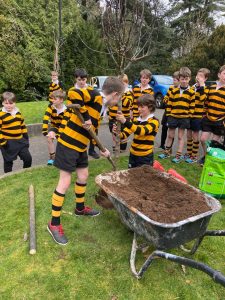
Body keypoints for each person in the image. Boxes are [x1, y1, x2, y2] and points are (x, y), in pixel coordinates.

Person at [47, 76, 124, 245]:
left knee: (83, 175)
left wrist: (102, 149)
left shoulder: (101, 107)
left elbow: (91, 132)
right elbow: (73, 93)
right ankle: (53, 224)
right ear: (115, 94)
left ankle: (80, 208)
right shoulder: (96, 95)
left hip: (81, 146)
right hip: (68, 144)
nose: (118, 102)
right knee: (64, 182)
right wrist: (86, 116)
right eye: (119, 98)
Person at [158, 67, 195, 163]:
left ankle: (178, 155)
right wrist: (170, 114)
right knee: (170, 135)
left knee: (180, 137)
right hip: (173, 117)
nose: (184, 81)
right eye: (182, 79)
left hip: (184, 118)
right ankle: (167, 152)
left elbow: (192, 105)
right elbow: (169, 103)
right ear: (179, 79)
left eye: (186, 79)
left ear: (189, 79)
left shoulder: (191, 92)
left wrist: (189, 115)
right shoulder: (174, 90)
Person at [114, 94, 159, 168]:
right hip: (133, 154)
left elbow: (141, 131)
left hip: (145, 157)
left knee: (143, 178)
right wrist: (117, 132)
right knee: (131, 176)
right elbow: (124, 135)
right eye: (138, 106)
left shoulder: (154, 121)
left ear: (150, 107)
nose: (139, 109)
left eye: (142, 107)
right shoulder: (136, 120)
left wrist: (125, 121)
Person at [199, 65, 225, 165]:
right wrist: (204, 114)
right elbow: (206, 102)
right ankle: (206, 156)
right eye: (224, 74)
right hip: (208, 118)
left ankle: (210, 160)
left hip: (220, 120)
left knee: (214, 144)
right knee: (203, 139)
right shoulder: (212, 87)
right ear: (219, 74)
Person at [0, 92, 32, 173]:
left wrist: (25, 138)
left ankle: (26, 173)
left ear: (15, 103)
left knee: (28, 158)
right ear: (2, 103)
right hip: (7, 142)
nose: (8, 105)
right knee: (8, 162)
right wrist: (3, 142)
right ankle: (8, 178)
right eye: (6, 103)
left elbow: (23, 126)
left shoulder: (18, 113)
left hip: (20, 141)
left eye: (11, 103)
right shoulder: (1, 114)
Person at [73, 68, 100, 159]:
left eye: (83, 80)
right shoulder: (73, 91)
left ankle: (92, 150)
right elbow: (79, 104)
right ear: (76, 79)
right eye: (79, 80)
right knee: (79, 135)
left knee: (93, 132)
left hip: (91, 116)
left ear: (86, 79)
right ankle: (79, 152)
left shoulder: (90, 89)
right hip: (79, 117)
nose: (81, 82)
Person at [185, 68, 210, 164]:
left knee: (195, 136)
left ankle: (194, 156)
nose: (198, 77)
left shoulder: (205, 89)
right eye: (197, 75)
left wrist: (202, 86)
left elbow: (202, 99)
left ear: (205, 78)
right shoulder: (192, 87)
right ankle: (188, 153)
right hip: (189, 114)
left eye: (201, 76)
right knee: (188, 135)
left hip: (198, 116)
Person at [108, 74, 133, 153]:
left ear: (127, 83)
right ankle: (116, 146)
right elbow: (110, 103)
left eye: (124, 82)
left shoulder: (128, 93)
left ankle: (122, 149)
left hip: (123, 118)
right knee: (114, 133)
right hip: (113, 118)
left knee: (123, 134)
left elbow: (128, 103)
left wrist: (121, 95)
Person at [42, 90, 67, 165]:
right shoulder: (50, 106)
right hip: (55, 126)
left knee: (62, 141)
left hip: (65, 127)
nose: (52, 100)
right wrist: (44, 130)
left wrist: (58, 135)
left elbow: (63, 124)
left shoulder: (66, 110)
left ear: (61, 100)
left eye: (55, 99)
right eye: (52, 98)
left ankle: (64, 157)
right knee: (49, 138)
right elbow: (46, 118)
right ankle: (52, 157)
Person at [160, 71, 180, 149]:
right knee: (164, 128)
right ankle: (162, 145)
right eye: (173, 79)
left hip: (173, 113)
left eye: (175, 80)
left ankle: (169, 147)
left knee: (171, 130)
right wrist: (166, 102)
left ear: (179, 80)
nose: (173, 81)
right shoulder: (171, 88)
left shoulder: (180, 90)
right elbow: (165, 98)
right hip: (167, 111)